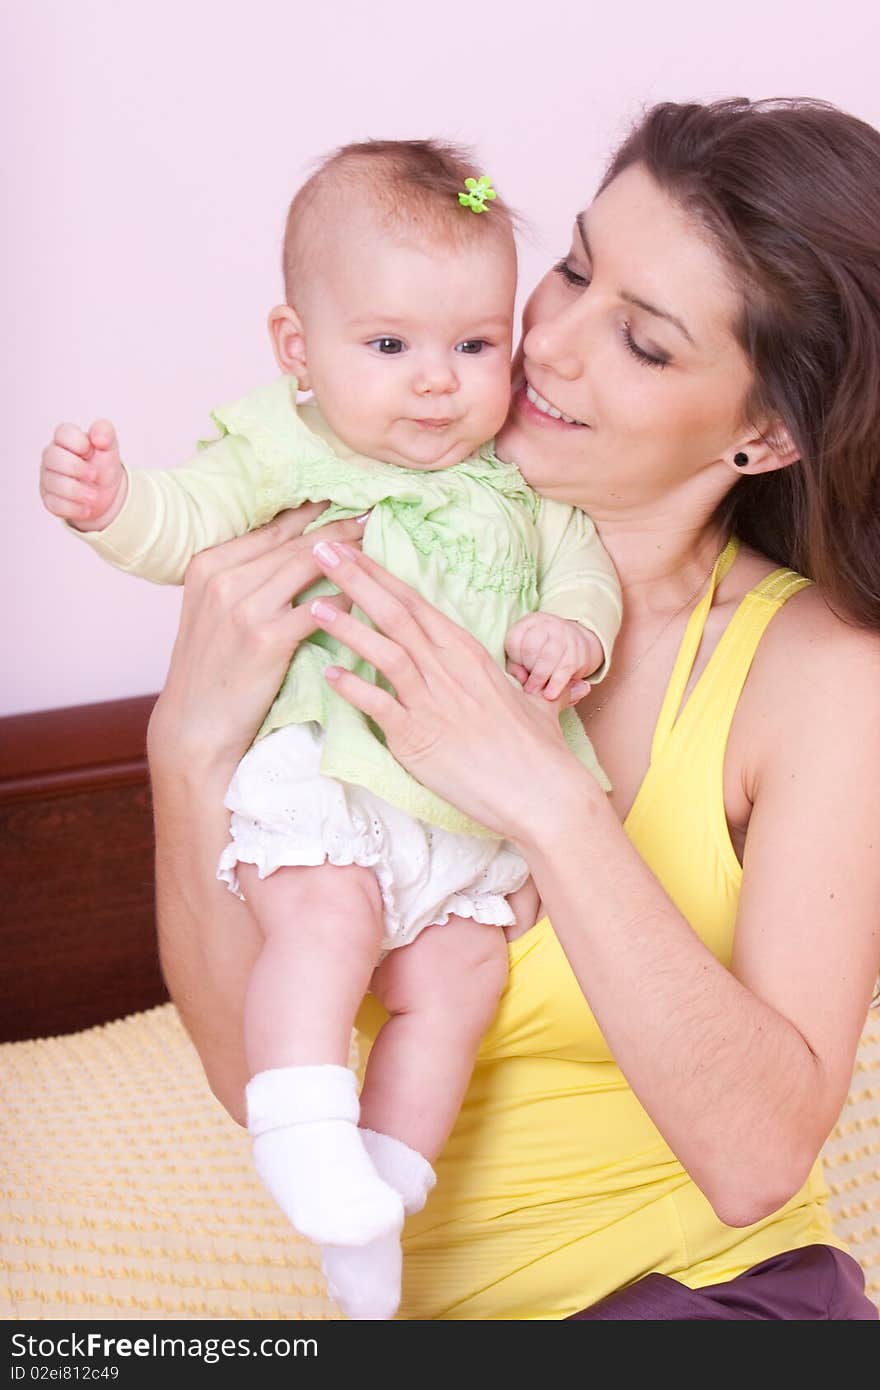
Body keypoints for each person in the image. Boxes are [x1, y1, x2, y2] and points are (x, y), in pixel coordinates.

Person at [143, 97, 880, 1320]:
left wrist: (541, 793)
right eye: (574, 267)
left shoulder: (819, 674)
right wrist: (188, 743)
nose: (548, 344)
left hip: (702, 1294)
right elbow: (250, 1077)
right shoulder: (341, 560)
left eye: (642, 342)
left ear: (762, 432)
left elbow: (760, 1164)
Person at [38, 140, 622, 1319]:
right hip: (334, 773)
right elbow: (188, 522)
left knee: (457, 979)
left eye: (473, 345)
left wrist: (574, 634)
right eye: (389, 345)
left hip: (463, 816)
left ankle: (381, 1192)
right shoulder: (284, 444)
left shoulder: (522, 479)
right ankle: (303, 1134)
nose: (436, 382)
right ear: (297, 352)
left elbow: (583, 574)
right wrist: (115, 505)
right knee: (325, 918)